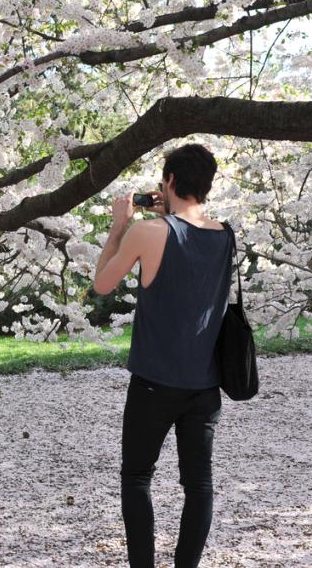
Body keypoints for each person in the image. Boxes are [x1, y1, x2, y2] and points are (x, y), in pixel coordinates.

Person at [93, 143, 235, 568]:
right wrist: (164, 215)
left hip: (155, 382)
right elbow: (189, 263)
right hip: (205, 383)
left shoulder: (147, 232)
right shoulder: (225, 234)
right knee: (199, 485)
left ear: (169, 181)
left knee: (137, 478)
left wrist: (121, 226)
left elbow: (102, 284)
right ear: (207, 185)